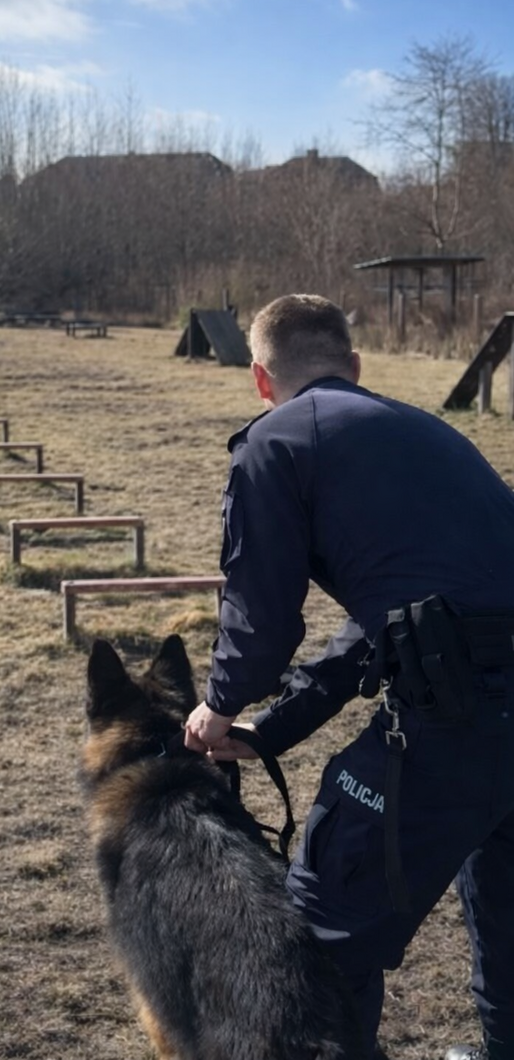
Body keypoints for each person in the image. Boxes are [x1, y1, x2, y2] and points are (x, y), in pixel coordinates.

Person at [184, 294, 514, 1060]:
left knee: (322, 940)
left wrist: (220, 707)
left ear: (260, 379)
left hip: (455, 720)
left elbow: (262, 620)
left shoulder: (276, 441)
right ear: (356, 367)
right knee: (507, 914)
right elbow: (390, 617)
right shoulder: (427, 432)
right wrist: (276, 728)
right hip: (488, 709)